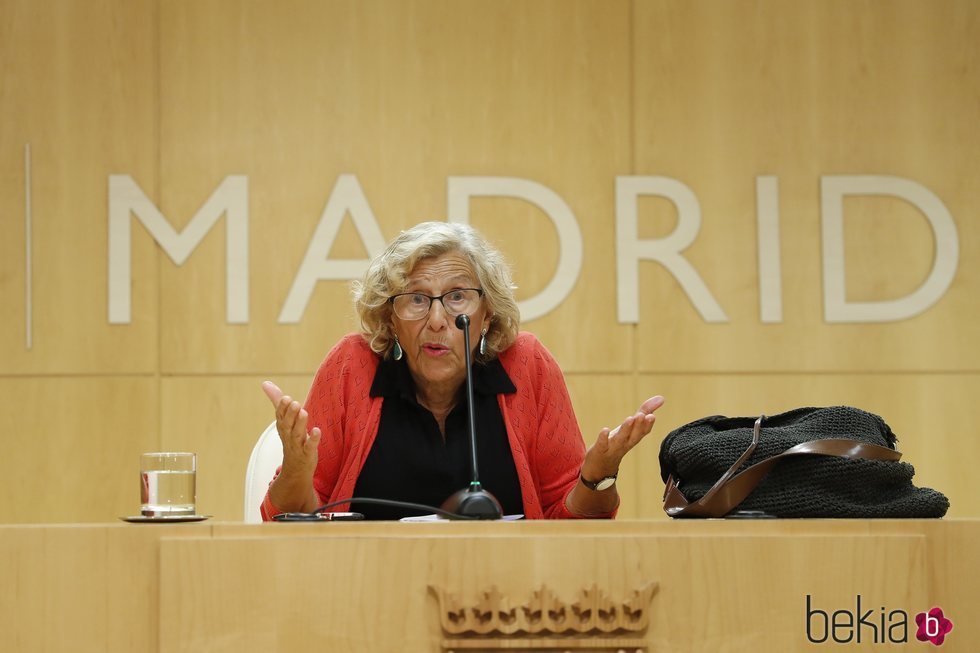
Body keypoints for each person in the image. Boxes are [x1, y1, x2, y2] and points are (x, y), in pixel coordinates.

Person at [259, 221, 664, 520]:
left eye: (457, 297)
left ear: (486, 315)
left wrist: (598, 477)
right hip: (367, 599)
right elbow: (295, 525)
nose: (437, 320)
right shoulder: (351, 367)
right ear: (390, 317)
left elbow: (570, 528)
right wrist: (296, 469)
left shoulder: (528, 366)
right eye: (416, 299)